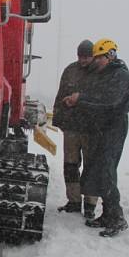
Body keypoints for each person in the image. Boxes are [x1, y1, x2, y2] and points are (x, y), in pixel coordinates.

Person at [63, 38, 129, 237]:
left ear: (110, 55)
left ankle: (117, 217)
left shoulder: (121, 77)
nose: (96, 61)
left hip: (114, 128)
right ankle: (107, 214)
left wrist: (81, 99)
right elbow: (95, 96)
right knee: (100, 171)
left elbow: (109, 101)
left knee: (107, 171)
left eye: (99, 57)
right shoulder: (107, 74)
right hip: (101, 128)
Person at [52, 39, 98, 219]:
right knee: (70, 165)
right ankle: (73, 201)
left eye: (87, 56)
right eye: (81, 56)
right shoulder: (70, 70)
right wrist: (58, 119)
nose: (83, 60)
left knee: (91, 166)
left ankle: (90, 204)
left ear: (93, 56)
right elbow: (60, 95)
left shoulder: (100, 73)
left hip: (92, 129)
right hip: (71, 127)